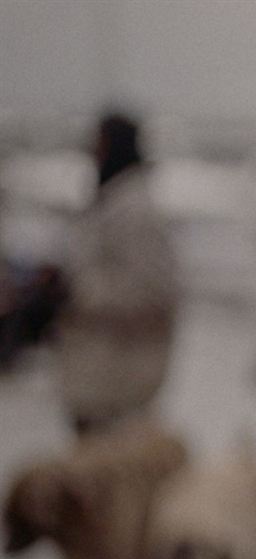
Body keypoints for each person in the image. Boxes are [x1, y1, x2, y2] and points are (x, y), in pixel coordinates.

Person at [57, 113, 177, 436]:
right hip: (99, 371)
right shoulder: (112, 200)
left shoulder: (135, 209)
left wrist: (76, 291)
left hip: (120, 379)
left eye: (99, 144)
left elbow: (154, 293)